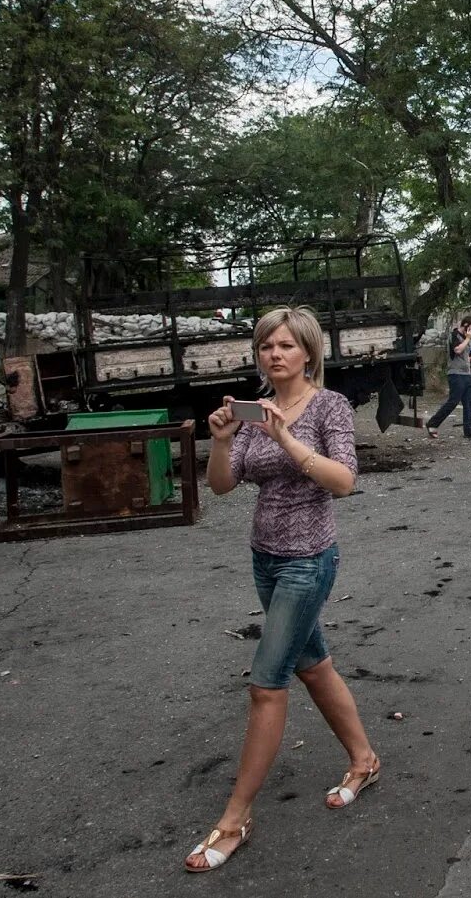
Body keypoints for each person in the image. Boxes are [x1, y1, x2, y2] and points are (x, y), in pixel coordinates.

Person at [187, 306, 377, 874]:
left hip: (309, 561)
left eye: (287, 345)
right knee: (313, 665)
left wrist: (288, 439)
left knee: (267, 685)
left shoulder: (329, 406)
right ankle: (364, 759)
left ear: (309, 353)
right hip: (265, 559)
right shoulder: (252, 410)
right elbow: (222, 487)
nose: (275, 354)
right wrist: (220, 441)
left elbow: (344, 482)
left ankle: (235, 817)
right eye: (267, 345)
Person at [426, 316, 471, 438]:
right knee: (453, 402)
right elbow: (457, 350)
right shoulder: (454, 335)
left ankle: (468, 430)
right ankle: (432, 424)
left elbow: (466, 354)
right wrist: (468, 339)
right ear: (465, 325)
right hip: (456, 374)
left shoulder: (468, 338)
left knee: (469, 403)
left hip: (467, 374)